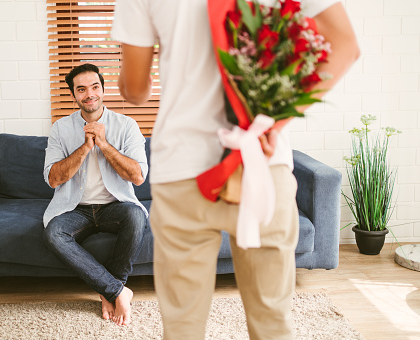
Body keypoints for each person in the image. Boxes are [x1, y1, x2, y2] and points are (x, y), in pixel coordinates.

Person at [112, 0, 359, 339]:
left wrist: (125, 78)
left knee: (182, 326)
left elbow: (137, 91)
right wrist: (271, 123)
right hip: (262, 164)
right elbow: (345, 46)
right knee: (272, 324)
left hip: (182, 173)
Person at [42, 63, 148, 326]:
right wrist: (86, 147)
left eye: (94, 87)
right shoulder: (60, 129)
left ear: (102, 88)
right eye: (81, 89)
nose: (89, 94)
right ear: (74, 95)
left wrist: (103, 143)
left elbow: (137, 176)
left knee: (136, 217)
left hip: (115, 205)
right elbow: (53, 179)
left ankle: (109, 289)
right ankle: (117, 291)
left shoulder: (126, 125)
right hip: (74, 208)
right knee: (53, 233)